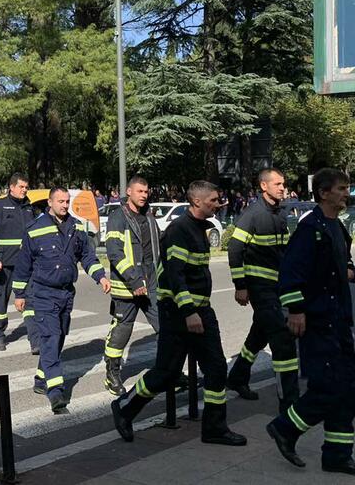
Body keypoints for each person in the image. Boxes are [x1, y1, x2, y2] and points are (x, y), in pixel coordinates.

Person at [111, 181, 246, 447]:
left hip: (200, 310)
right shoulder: (179, 231)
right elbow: (175, 276)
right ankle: (125, 408)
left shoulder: (198, 228)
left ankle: (215, 428)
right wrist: (188, 312)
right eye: (214, 201)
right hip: (179, 313)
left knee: (217, 368)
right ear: (197, 202)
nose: (219, 204)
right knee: (166, 373)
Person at [265, 168, 355, 477]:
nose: (346, 194)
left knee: (348, 387)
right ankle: (285, 428)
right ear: (324, 193)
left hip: (339, 320)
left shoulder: (337, 228)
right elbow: (289, 276)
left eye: (347, 188)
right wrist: (296, 311)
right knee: (327, 386)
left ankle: (338, 455)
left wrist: (350, 270)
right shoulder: (309, 228)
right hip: (318, 322)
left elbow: (347, 261)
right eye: (341, 188)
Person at [13, 187, 110, 413]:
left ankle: (40, 378)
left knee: (57, 339)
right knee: (50, 335)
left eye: (67, 202)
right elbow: (23, 265)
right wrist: (19, 294)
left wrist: (100, 276)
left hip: (66, 293)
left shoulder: (76, 227)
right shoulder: (35, 229)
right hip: (43, 293)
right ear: (50, 202)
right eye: (61, 201)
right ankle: (55, 391)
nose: (65, 205)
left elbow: (87, 255)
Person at [227, 168, 299, 410]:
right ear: (263, 187)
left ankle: (237, 377)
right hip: (260, 287)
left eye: (283, 183)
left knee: (259, 334)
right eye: (277, 184)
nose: (282, 187)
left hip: (278, 286)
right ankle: (289, 403)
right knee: (282, 338)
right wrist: (240, 285)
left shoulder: (280, 214)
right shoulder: (253, 214)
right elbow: (235, 248)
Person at [102, 175, 161, 395]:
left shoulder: (149, 216)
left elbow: (157, 250)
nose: (144, 195)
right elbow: (114, 253)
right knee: (121, 332)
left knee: (165, 328)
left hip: (152, 284)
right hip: (127, 287)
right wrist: (135, 280)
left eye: (146, 192)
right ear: (129, 192)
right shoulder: (118, 217)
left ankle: (169, 371)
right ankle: (112, 375)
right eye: (140, 191)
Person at [0, 173, 40, 352]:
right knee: (1, 302)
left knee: (30, 301)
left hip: (26, 265)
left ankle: (35, 341)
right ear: (12, 187)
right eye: (21, 187)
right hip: (4, 266)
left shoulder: (29, 208)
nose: (24, 190)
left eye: (26, 187)